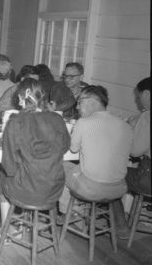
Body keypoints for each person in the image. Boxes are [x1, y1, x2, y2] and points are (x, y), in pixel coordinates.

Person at [0, 78, 70, 226]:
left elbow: (9, 166)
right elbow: (65, 147)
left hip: (26, 191)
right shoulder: (57, 118)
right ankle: (24, 222)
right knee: (29, 174)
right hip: (53, 189)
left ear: (21, 98)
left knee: (0, 179)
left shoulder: (15, 122)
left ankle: (7, 229)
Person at [57, 85, 133, 222]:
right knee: (86, 168)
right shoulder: (125, 126)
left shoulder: (84, 123)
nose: (77, 107)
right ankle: (78, 212)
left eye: (80, 101)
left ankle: (68, 212)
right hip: (119, 188)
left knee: (60, 165)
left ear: (92, 101)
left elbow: (73, 149)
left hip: (92, 189)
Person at [113, 77, 151, 239]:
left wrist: (131, 128)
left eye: (139, 95)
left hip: (148, 179)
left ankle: (121, 225)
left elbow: (135, 151)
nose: (138, 99)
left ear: (147, 94)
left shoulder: (148, 116)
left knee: (112, 176)